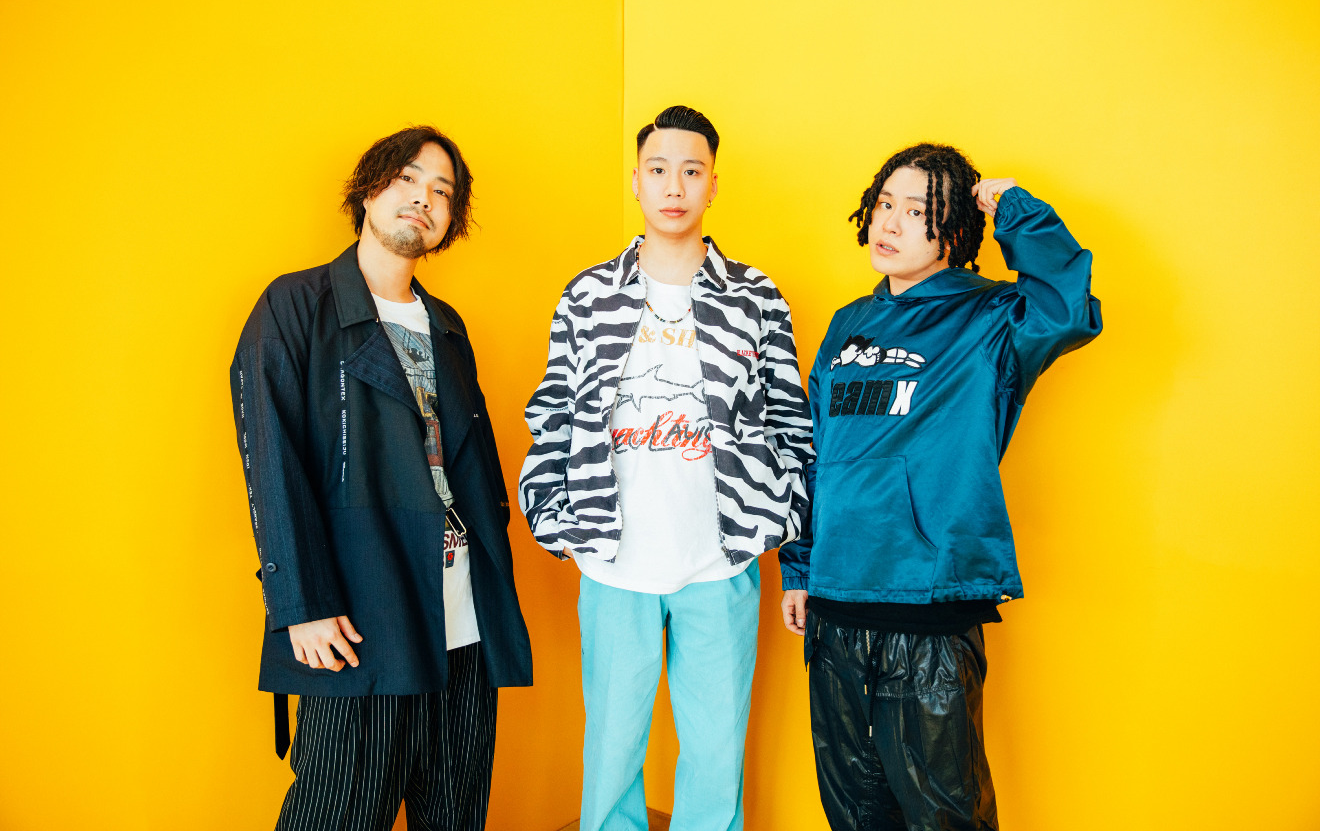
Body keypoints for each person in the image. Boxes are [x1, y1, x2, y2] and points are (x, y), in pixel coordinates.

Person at [779, 143, 1102, 830]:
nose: (890, 223)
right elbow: (816, 453)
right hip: (836, 604)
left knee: (943, 815)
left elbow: (1069, 310)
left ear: (953, 232)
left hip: (926, 607)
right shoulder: (847, 323)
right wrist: (800, 569)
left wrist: (1014, 210)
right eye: (884, 205)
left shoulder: (991, 320)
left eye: (918, 212)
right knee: (853, 808)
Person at [519, 105, 813, 831]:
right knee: (612, 748)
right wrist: (555, 520)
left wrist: (787, 532)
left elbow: (790, 420)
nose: (674, 186)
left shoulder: (756, 296)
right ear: (636, 181)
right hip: (613, 560)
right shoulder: (588, 295)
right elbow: (552, 411)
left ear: (713, 184)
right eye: (658, 170)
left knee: (715, 752)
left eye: (691, 171)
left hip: (720, 560)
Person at [229, 126, 531, 831]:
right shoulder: (296, 306)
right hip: (361, 618)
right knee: (338, 812)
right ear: (368, 191)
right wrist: (299, 602)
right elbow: (270, 457)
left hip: (464, 618)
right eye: (407, 179)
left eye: (442, 192)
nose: (423, 199)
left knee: (455, 815)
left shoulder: (447, 326)